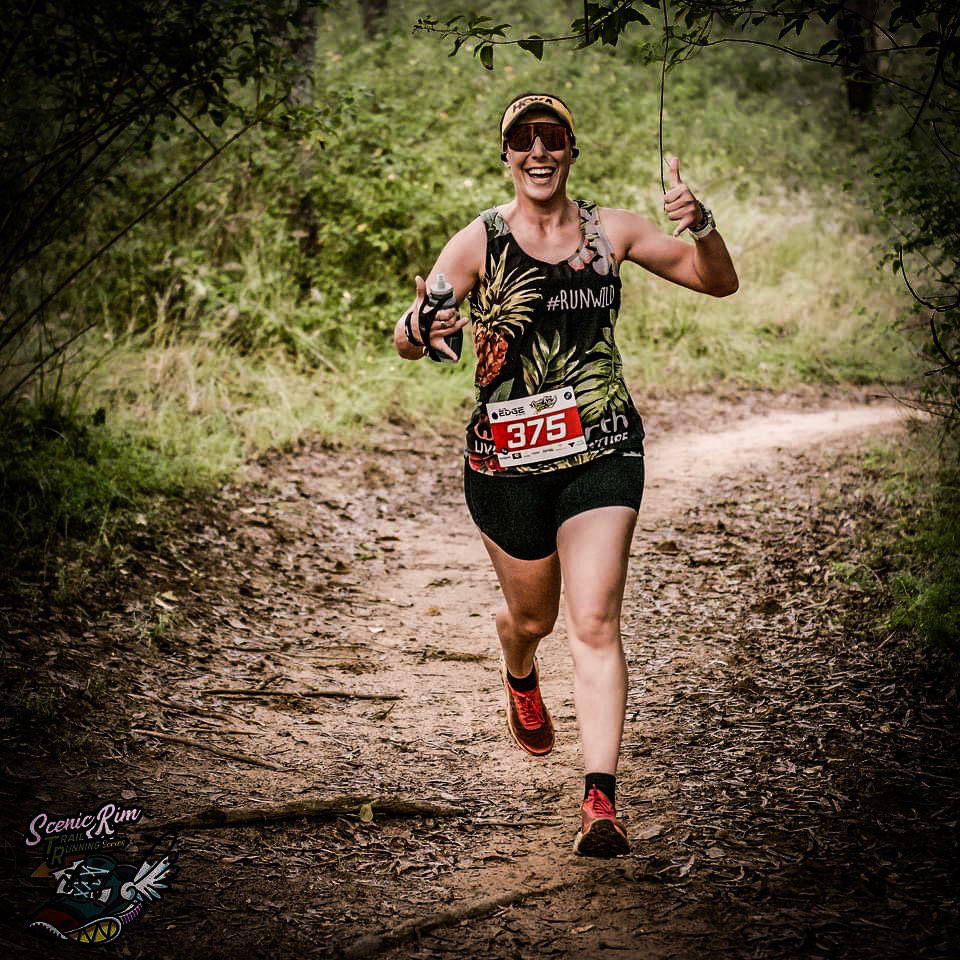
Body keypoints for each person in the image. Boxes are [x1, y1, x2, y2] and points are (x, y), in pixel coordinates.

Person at [393, 92, 738, 857]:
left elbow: (717, 282)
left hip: (601, 445)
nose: (539, 151)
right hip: (508, 463)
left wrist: (701, 225)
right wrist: (424, 323)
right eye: (524, 139)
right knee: (534, 619)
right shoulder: (481, 238)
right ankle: (517, 665)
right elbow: (411, 331)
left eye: (553, 138)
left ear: (571, 151)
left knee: (593, 619)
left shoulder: (608, 230)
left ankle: (600, 801)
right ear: (507, 154)